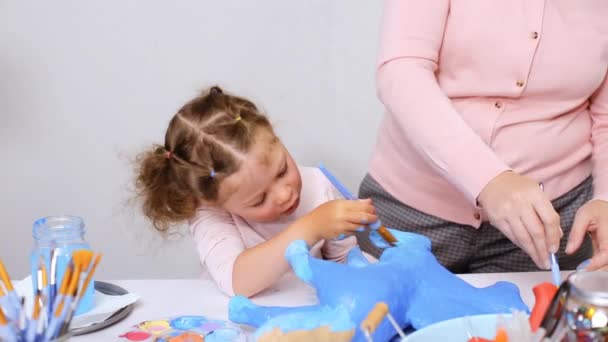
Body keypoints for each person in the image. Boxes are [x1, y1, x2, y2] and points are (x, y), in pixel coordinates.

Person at [357, 0, 608, 273]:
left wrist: (605, 198)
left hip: (546, 224)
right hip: (411, 212)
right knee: (383, 313)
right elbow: (401, 71)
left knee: (527, 316)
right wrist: (489, 180)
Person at [135, 86, 377, 296]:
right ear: (214, 201)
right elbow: (237, 281)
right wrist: (309, 228)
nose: (284, 194)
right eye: (259, 199)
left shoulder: (318, 184)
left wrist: (374, 269)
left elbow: (343, 264)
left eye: (282, 170)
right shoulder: (212, 215)